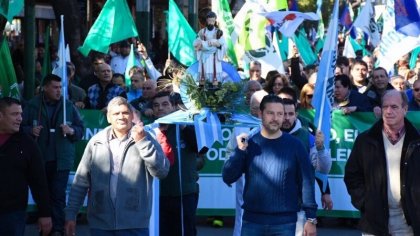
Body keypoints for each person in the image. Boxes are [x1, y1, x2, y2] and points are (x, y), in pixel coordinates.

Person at [64, 96, 170, 236]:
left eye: (125, 113)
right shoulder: (96, 142)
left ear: (132, 116)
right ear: (109, 118)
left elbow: (162, 171)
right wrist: (71, 214)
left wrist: (142, 143)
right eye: (116, 113)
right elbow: (81, 181)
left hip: (134, 223)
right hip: (101, 224)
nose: (121, 117)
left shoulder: (145, 137)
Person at [223, 95, 317, 236]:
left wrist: (311, 218)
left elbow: (307, 182)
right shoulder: (249, 143)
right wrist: (240, 151)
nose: (276, 118)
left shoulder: (295, 145)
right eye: (270, 113)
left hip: (285, 224)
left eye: (280, 114)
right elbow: (228, 177)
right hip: (252, 222)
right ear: (260, 114)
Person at [344, 90, 420, 235]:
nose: (389, 111)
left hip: (409, 222)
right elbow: (352, 175)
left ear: (405, 109)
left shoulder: (416, 141)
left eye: (394, 107)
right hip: (374, 220)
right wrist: (365, 203)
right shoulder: (365, 140)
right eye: (385, 107)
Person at [21, 74, 84, 236]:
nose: (58, 91)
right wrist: (30, 130)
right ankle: (45, 228)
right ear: (45, 88)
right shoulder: (33, 105)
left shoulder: (68, 105)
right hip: (38, 159)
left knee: (58, 195)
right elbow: (19, 127)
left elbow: (80, 130)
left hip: (61, 160)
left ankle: (57, 229)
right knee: (42, 195)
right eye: (55, 87)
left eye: (60, 87)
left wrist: (71, 131)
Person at [151, 91, 206, 236]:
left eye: (165, 104)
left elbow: (202, 148)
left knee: (185, 232)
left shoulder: (185, 127)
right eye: (156, 105)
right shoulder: (150, 130)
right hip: (158, 195)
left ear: (174, 106)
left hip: (185, 193)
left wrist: (183, 126)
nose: (160, 108)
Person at [0, 97, 52, 236]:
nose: (20, 119)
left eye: (21, 114)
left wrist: (45, 213)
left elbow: (39, 181)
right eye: (14, 114)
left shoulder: (27, 144)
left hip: (12, 215)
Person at [280, 98, 332, 236]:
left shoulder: (308, 137)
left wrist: (321, 149)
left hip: (298, 207)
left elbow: (324, 168)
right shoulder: (267, 134)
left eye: (290, 114)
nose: (286, 118)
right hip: (271, 209)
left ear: (296, 114)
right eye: (283, 114)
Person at [226, 89, 268, 236]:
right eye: (254, 108)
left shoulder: (273, 126)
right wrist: (231, 169)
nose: (257, 112)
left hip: (267, 180)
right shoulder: (240, 126)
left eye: (261, 108)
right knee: (242, 213)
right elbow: (230, 150)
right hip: (244, 180)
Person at [193, 11, 226, 86]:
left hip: (214, 56)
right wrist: (200, 44)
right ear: (207, 20)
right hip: (204, 56)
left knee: (214, 74)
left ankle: (215, 87)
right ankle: (202, 87)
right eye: (209, 20)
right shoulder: (202, 32)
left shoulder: (218, 32)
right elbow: (196, 42)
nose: (211, 23)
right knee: (203, 74)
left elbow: (223, 44)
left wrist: (216, 44)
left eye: (213, 21)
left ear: (215, 21)